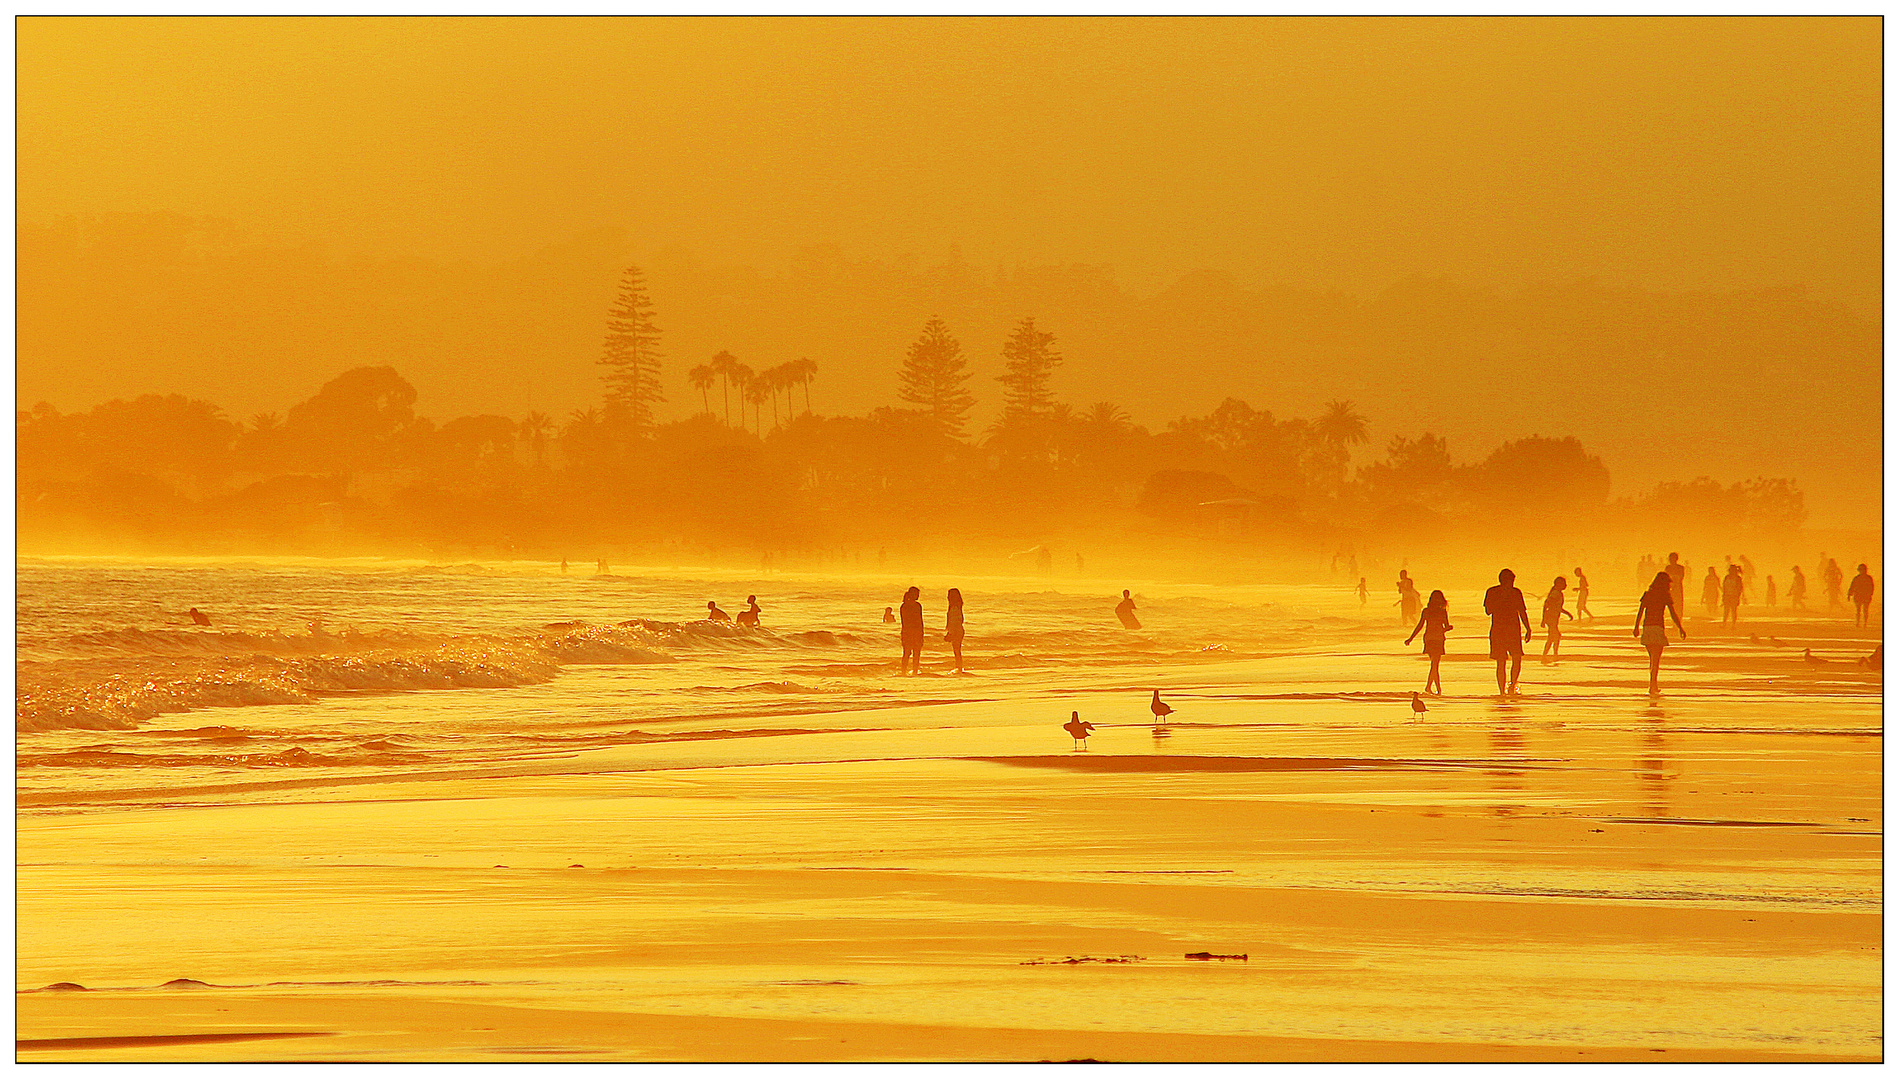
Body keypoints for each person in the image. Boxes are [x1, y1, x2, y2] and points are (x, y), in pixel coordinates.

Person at [1634, 570, 1687, 695]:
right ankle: (1653, 685)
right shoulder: (1665, 596)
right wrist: (1680, 628)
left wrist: (1636, 627)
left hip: (1647, 628)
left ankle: (1653, 685)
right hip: (1657, 629)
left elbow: (1640, 611)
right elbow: (1673, 614)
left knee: (1652, 659)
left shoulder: (1648, 594)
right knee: (1656, 660)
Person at [1484, 569, 1532, 695]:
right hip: (1508, 630)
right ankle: (1505, 689)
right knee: (1508, 660)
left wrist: (1528, 628)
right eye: (1511, 580)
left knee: (1509, 660)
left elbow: (1521, 611)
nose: (1512, 583)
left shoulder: (1497, 591)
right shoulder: (1504, 592)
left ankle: (1509, 686)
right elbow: (1488, 611)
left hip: (1503, 630)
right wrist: (1528, 628)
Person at [1404, 589, 1453, 695]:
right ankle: (1436, 688)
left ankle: (1430, 687)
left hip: (1429, 639)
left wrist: (1410, 638)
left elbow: (1420, 626)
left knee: (1434, 664)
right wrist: (1448, 628)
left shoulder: (1427, 611)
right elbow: (1446, 626)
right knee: (1435, 664)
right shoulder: (1442, 611)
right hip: (1438, 639)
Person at [1541, 577, 1573, 659]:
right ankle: (1548, 655)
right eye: (1564, 583)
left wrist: (1567, 613)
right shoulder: (1556, 593)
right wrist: (1543, 619)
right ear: (1558, 584)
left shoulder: (1557, 593)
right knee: (1554, 636)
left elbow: (1557, 607)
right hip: (1551, 618)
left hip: (1553, 617)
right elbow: (1547, 604)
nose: (1566, 585)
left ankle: (1551, 654)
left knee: (1554, 636)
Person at [899, 586, 924, 674]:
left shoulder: (904, 605)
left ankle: (904, 671)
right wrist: (921, 633)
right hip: (914, 632)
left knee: (907, 653)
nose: (918, 596)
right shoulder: (915, 606)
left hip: (907, 631)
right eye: (917, 594)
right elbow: (919, 621)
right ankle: (914, 671)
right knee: (915, 653)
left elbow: (904, 621)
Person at [944, 588, 966, 673]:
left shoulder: (954, 608)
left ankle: (959, 667)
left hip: (956, 631)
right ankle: (959, 667)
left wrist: (951, 633)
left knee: (957, 650)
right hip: (958, 630)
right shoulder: (957, 606)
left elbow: (954, 621)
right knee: (957, 650)